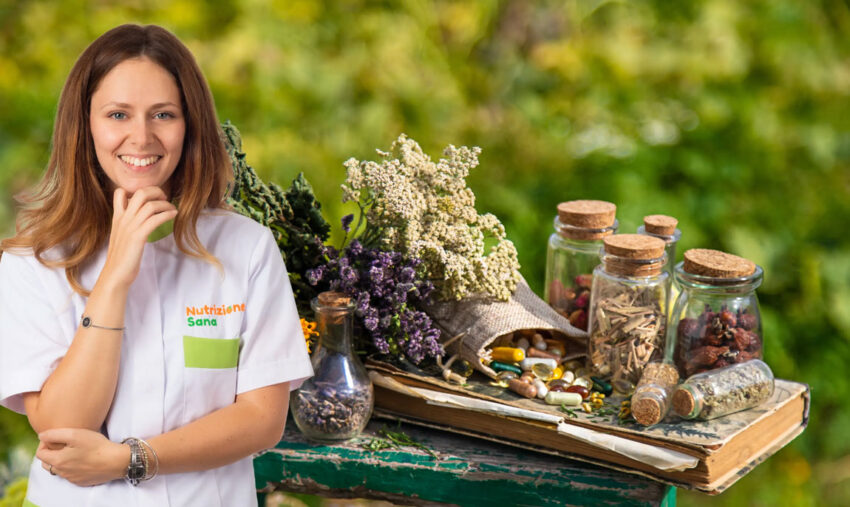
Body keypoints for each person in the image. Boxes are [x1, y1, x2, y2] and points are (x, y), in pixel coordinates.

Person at [0, 24, 313, 506]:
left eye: (163, 114)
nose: (141, 137)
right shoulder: (32, 261)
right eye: (118, 114)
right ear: (84, 126)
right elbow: (62, 426)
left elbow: (261, 419)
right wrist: (116, 276)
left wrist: (132, 458)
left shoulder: (246, 248)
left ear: (190, 125)